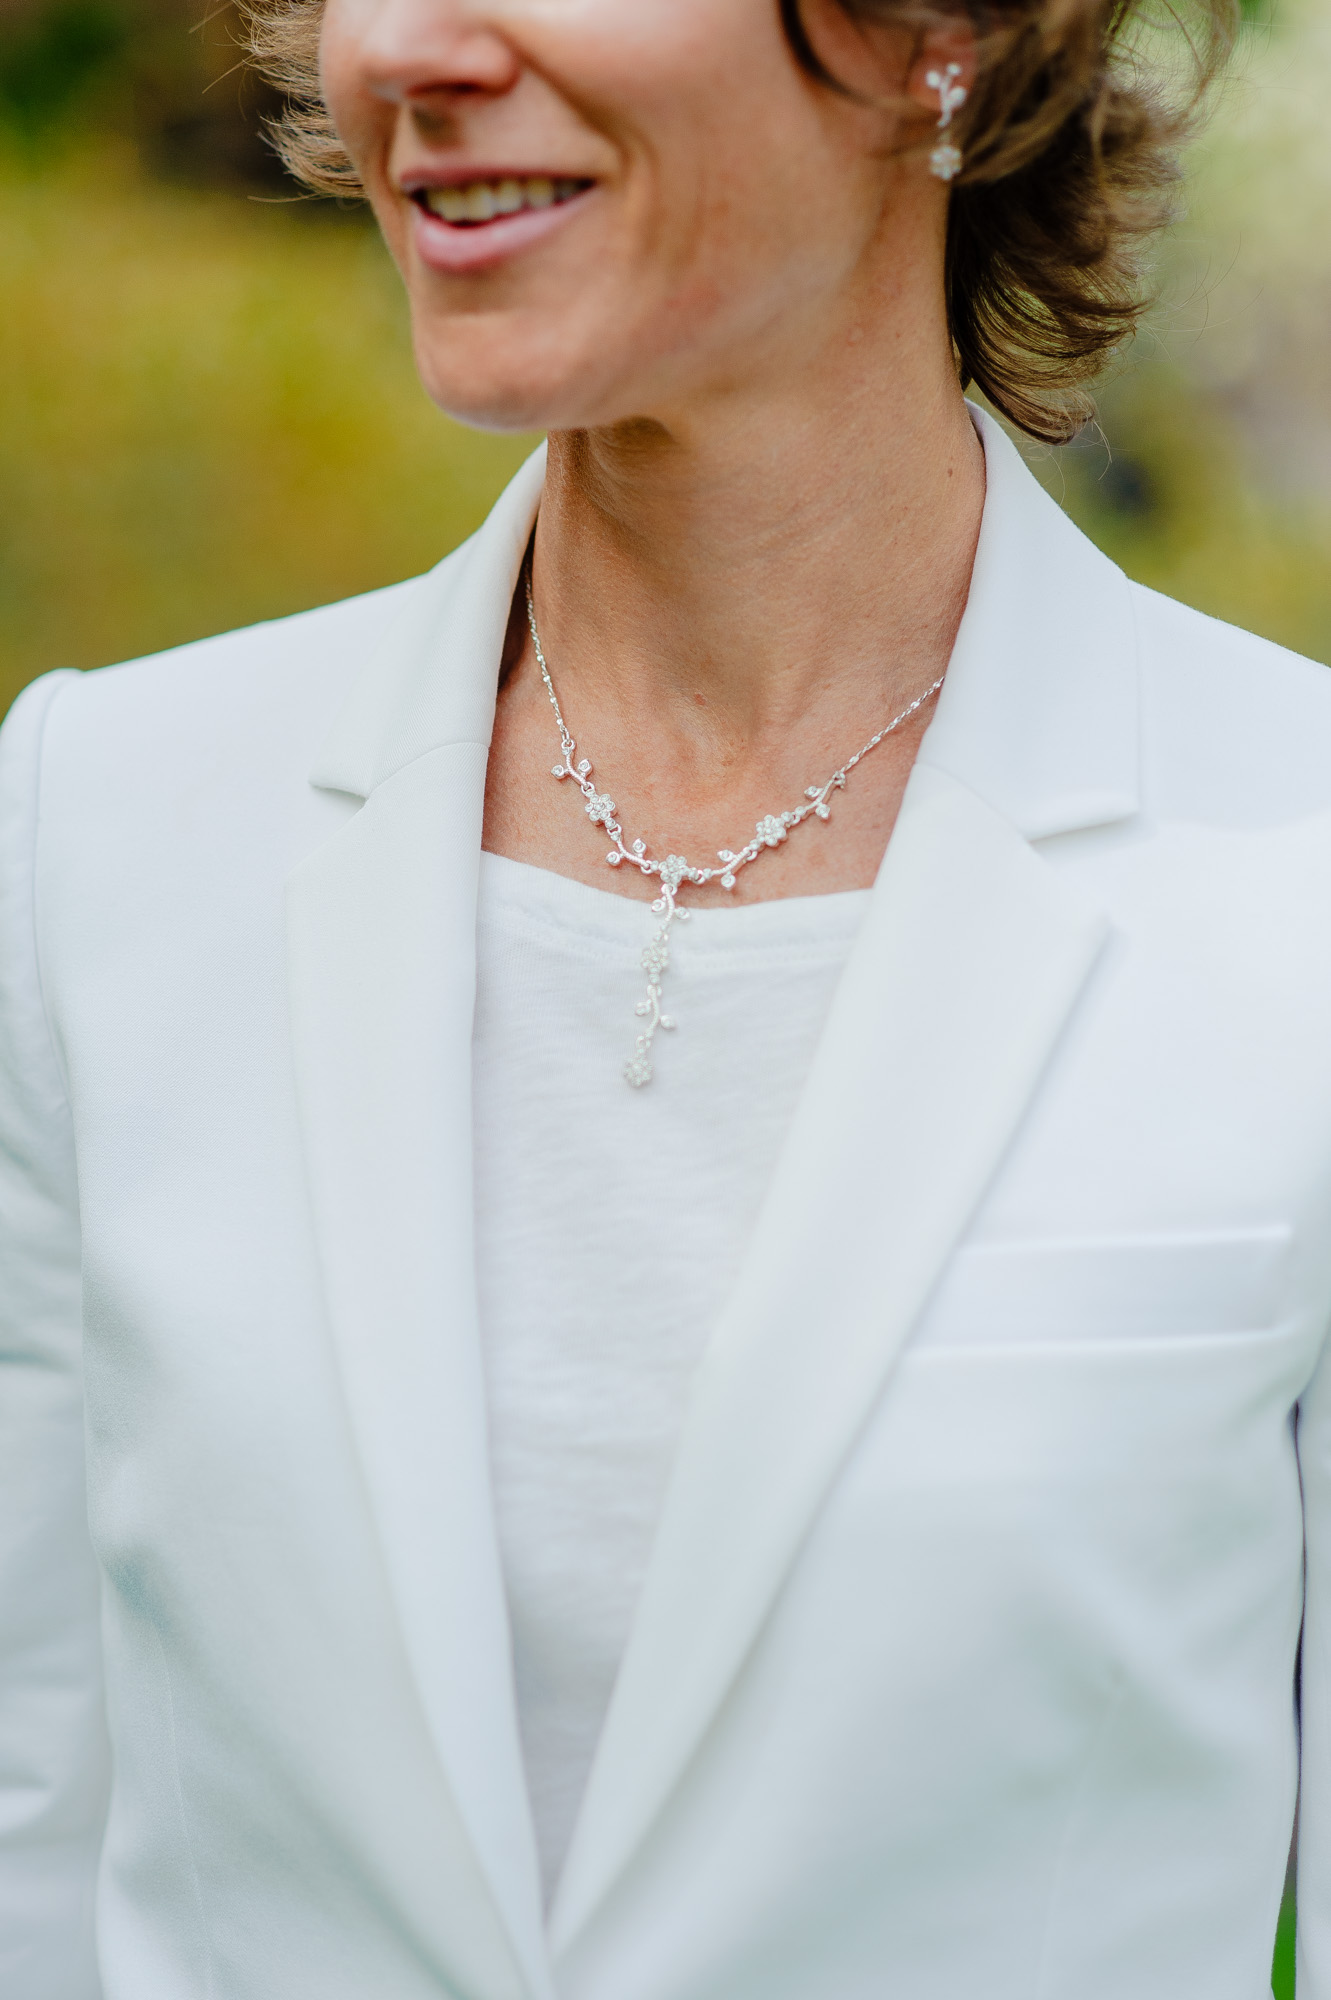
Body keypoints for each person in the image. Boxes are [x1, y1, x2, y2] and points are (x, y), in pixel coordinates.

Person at [3, 0, 1327, 1994]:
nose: (414, 49)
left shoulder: (1294, 876)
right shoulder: (100, 823)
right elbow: (42, 1838)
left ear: (941, 34)